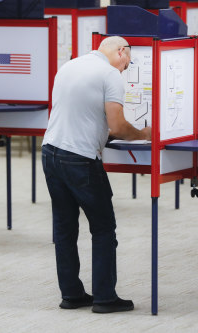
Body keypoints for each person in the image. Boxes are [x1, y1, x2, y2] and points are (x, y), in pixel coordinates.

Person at [41, 36, 151, 313]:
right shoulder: (110, 74)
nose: (127, 67)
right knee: (103, 228)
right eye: (128, 61)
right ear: (121, 52)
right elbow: (116, 126)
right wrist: (145, 134)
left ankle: (72, 294)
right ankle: (104, 297)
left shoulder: (70, 66)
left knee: (64, 228)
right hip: (79, 158)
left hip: (50, 151)